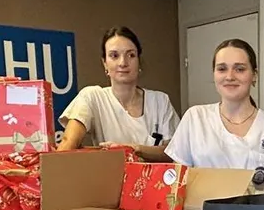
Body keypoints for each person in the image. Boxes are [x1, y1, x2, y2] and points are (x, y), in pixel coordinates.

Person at [165, 39, 264, 194]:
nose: (229, 76)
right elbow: (175, 187)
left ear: (254, 75)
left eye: (240, 69)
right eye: (222, 69)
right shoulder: (195, 118)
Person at [57, 26, 179, 161]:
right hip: (109, 179)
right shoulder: (92, 97)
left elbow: (173, 152)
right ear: (105, 63)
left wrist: (133, 149)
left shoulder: (160, 101)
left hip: (153, 180)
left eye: (131, 55)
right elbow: (68, 144)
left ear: (139, 61)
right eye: (114, 56)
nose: (123, 63)